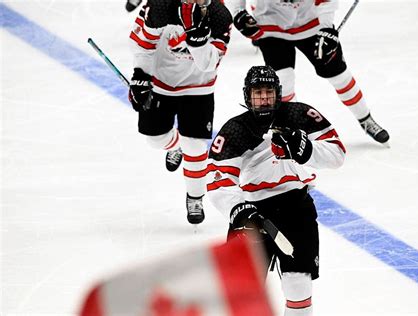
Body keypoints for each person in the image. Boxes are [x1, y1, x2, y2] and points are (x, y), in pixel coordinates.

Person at [206, 66, 346, 315]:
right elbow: (218, 183)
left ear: (278, 93)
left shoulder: (300, 114)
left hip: (297, 208)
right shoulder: (236, 130)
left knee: (298, 284)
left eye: (268, 92)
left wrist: (308, 151)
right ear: (247, 95)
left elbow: (337, 154)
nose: (263, 99)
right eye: (257, 93)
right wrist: (239, 209)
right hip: (253, 211)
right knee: (241, 288)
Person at [226, 0, 390, 144]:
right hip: (271, 24)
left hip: (312, 23)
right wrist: (238, 11)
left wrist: (327, 28)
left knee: (339, 76)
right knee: (284, 81)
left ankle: (365, 118)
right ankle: (294, 131)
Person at [128, 0, 232, 224]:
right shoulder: (160, 6)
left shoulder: (219, 15)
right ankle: (176, 146)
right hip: (161, 82)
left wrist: (198, 43)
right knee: (155, 140)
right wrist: (140, 75)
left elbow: (209, 64)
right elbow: (143, 44)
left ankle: (195, 197)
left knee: (195, 145)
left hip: (199, 87)